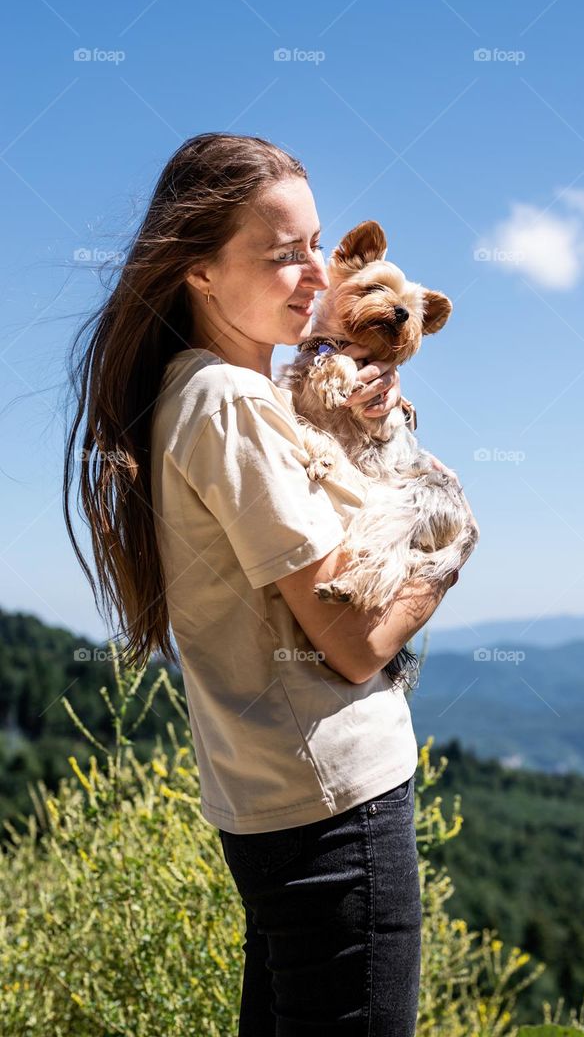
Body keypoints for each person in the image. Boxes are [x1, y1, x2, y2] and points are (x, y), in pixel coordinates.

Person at [62, 131, 473, 1036]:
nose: (317, 274)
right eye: (283, 255)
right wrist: (451, 547)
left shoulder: (193, 390)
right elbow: (354, 639)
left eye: (317, 246)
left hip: (269, 802)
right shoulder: (232, 402)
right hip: (337, 802)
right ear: (200, 271)